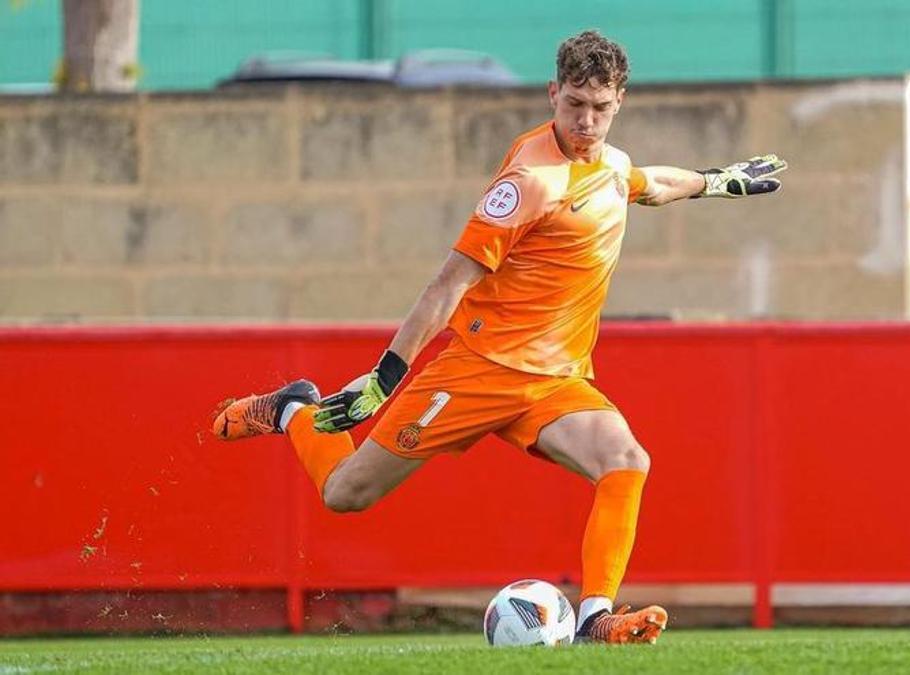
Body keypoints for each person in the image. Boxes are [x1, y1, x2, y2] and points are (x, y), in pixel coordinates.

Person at [211, 30, 786, 644]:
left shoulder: (611, 166)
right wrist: (384, 377)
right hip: (477, 371)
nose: (585, 121)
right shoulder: (529, 181)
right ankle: (295, 407)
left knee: (627, 462)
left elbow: (651, 185)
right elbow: (448, 284)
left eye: (599, 107)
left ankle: (595, 618)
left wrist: (718, 180)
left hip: (555, 381)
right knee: (346, 493)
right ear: (552, 94)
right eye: (573, 104)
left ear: (619, 102)